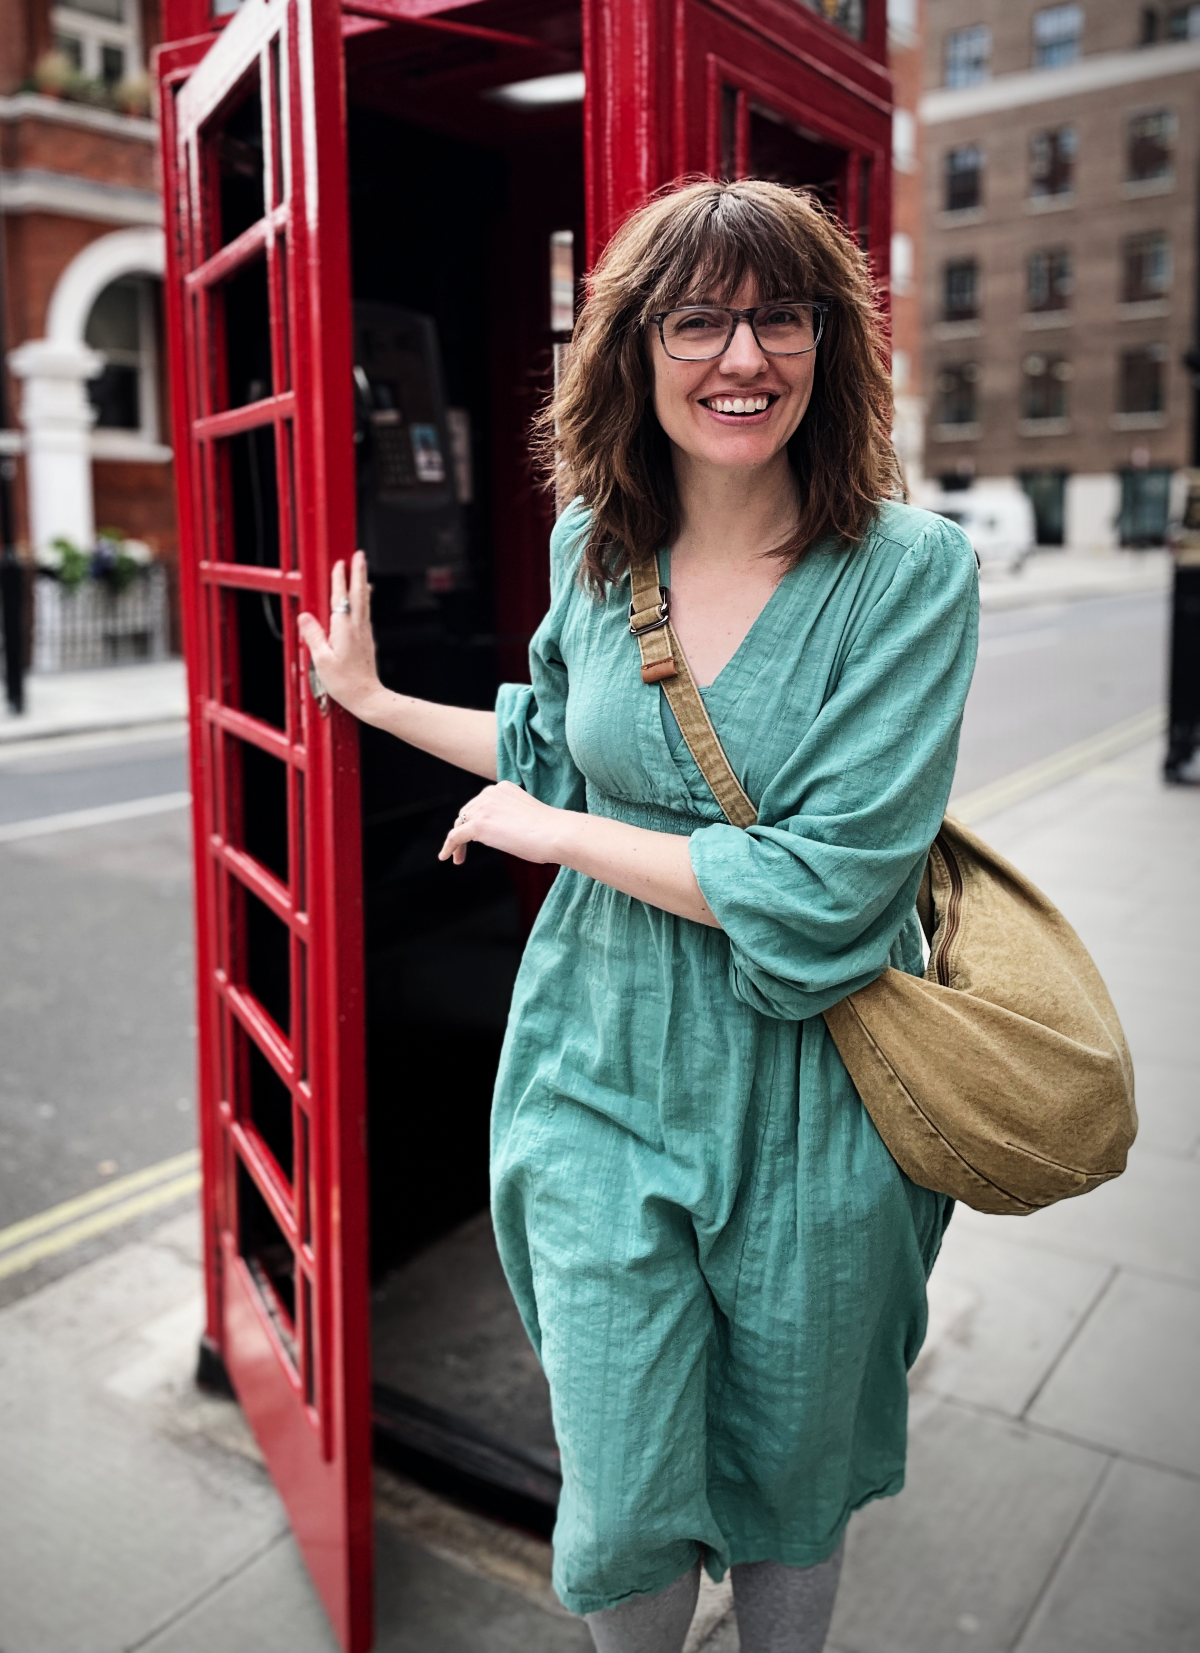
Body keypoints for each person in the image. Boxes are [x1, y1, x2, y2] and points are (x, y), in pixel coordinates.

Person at [298, 178, 979, 1653]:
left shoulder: (913, 577)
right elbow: (552, 744)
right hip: (600, 1057)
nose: (744, 358)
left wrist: (557, 837)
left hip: (817, 1080)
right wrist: (369, 702)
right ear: (635, 351)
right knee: (618, 1485)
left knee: (796, 1470)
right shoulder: (597, 548)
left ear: (828, 346)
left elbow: (829, 890)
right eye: (699, 320)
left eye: (780, 316)